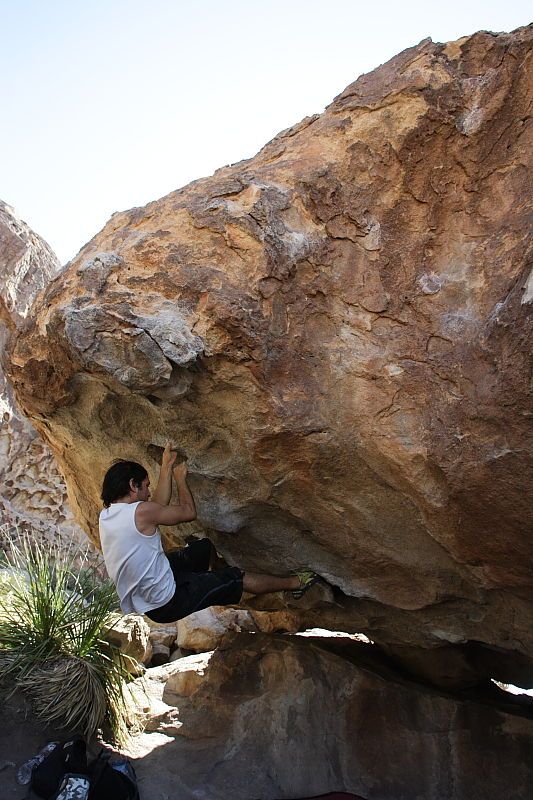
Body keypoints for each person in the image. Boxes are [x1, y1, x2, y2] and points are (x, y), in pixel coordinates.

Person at [99, 444, 320, 623]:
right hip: (167, 600)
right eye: (146, 486)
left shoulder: (109, 516)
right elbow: (188, 512)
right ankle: (295, 584)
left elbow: (157, 505)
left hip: (150, 597)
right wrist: (180, 480)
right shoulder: (141, 512)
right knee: (236, 578)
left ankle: (215, 577)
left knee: (203, 548)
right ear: (132, 485)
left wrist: (166, 466)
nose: (148, 493)